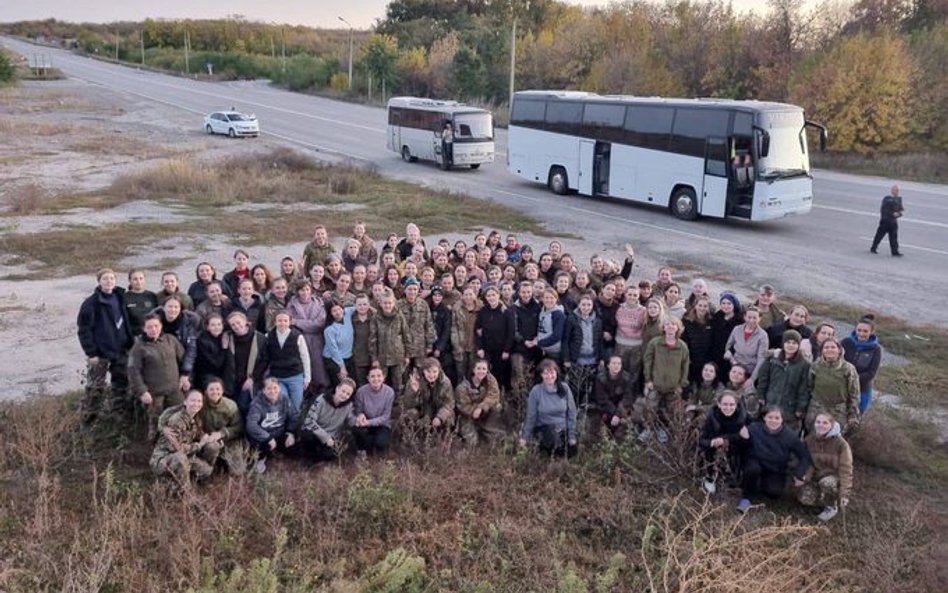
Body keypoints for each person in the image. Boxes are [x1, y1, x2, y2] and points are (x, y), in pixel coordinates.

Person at [77, 268, 134, 426]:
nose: (109, 281)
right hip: (100, 352)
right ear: (99, 281)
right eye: (105, 279)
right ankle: (88, 420)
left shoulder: (120, 297)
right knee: (95, 387)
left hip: (121, 349)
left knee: (120, 384)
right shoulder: (91, 303)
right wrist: (91, 352)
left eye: (111, 278)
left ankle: (119, 416)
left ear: (116, 281)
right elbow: (84, 330)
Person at [736, 405, 811, 513]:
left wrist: (799, 473)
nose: (773, 421)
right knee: (752, 469)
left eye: (777, 418)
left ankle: (759, 484)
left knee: (774, 492)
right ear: (764, 418)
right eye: (770, 417)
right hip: (755, 463)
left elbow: (804, 455)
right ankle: (747, 497)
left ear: (782, 419)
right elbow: (741, 448)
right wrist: (743, 438)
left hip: (775, 468)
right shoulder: (754, 428)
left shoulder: (790, 435)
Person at [128, 314, 187, 441]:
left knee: (181, 418)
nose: (153, 329)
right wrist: (142, 391)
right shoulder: (138, 347)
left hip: (174, 390)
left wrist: (186, 376)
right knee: (156, 424)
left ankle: (180, 444)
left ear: (161, 326)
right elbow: (133, 372)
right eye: (149, 327)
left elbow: (184, 360)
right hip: (154, 394)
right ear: (144, 329)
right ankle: (154, 447)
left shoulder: (171, 340)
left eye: (156, 326)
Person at [149, 389, 213, 489]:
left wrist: (205, 437)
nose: (196, 404)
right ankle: (184, 492)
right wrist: (199, 445)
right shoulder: (176, 420)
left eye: (199, 401)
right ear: (185, 402)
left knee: (206, 471)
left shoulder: (195, 418)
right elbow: (177, 448)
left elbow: (197, 433)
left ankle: (181, 479)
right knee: (180, 459)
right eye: (193, 400)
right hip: (164, 458)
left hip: (183, 456)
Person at [799, 412, 853, 522]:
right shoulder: (809, 440)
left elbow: (846, 469)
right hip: (817, 475)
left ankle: (832, 506)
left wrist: (844, 494)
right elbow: (807, 461)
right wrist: (806, 476)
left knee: (827, 483)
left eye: (825, 423)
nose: (821, 425)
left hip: (833, 476)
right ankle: (821, 497)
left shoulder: (841, 444)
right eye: (818, 422)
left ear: (831, 425)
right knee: (804, 499)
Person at [253, 311, 311, 412]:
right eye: (279, 320)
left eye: (285, 320)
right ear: (275, 322)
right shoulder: (268, 337)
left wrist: (307, 377)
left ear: (290, 322)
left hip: (295, 376)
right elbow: (265, 358)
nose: (282, 323)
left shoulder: (298, 336)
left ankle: (294, 426)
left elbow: (305, 357)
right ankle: (282, 426)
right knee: (283, 404)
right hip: (278, 377)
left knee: (296, 406)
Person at [642, 317, 690, 437]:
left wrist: (681, 384)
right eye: (667, 325)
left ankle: (664, 430)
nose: (670, 327)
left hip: (673, 387)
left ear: (678, 328)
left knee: (671, 411)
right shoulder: (655, 342)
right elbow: (647, 361)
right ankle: (648, 430)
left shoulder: (682, 346)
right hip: (655, 384)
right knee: (650, 408)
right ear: (663, 327)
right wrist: (648, 380)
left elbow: (685, 366)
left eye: (673, 325)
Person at [519, 359, 578, 458]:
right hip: (545, 428)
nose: (549, 376)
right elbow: (531, 416)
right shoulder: (536, 391)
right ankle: (552, 454)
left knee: (573, 449)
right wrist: (524, 437)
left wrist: (571, 435)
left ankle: (559, 452)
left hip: (563, 428)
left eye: (552, 372)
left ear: (557, 373)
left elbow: (572, 412)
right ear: (541, 375)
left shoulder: (564, 388)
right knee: (555, 443)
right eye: (545, 373)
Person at [756, 330, 810, 431]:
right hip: (771, 401)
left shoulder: (804, 364)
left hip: (790, 406)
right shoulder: (772, 359)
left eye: (794, 343)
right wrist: (761, 395)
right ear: (783, 343)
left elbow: (804, 388)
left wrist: (800, 408)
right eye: (788, 342)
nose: (791, 345)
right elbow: (763, 379)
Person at [805, 338, 861, 436]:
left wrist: (853, 414)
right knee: (812, 438)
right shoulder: (815, 366)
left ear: (839, 350)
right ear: (822, 350)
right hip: (816, 408)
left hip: (838, 411)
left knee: (834, 441)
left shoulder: (848, 369)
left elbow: (854, 394)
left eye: (833, 347)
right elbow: (809, 387)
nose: (829, 350)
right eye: (826, 347)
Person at [698, 391, 749, 495]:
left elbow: (748, 437)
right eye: (725, 404)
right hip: (716, 451)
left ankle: (737, 477)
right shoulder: (712, 417)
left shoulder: (744, 417)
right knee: (708, 451)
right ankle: (710, 477)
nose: (728, 408)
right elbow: (702, 440)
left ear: (736, 404)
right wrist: (712, 442)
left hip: (737, 451)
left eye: (731, 404)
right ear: (719, 404)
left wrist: (727, 439)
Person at [245, 377, 299, 474]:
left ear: (279, 388)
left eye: (275, 388)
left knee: (298, 441)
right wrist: (268, 438)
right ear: (263, 390)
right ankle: (260, 460)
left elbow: (293, 416)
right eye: (269, 388)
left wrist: (290, 433)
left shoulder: (284, 399)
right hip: (264, 436)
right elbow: (251, 425)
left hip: (280, 433)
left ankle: (278, 451)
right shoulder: (257, 404)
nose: (272, 391)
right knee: (258, 447)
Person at [286, 280, 330, 394]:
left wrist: (297, 322)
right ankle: (305, 391)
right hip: (300, 339)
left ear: (311, 291)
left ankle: (321, 390)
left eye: (307, 289)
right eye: (302, 290)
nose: (305, 292)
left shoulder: (319, 302)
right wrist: (308, 323)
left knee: (318, 365)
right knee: (303, 364)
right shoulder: (291, 305)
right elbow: (289, 323)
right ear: (297, 291)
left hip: (317, 340)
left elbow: (319, 324)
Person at [299, 379, 356, 464]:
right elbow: (309, 421)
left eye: (348, 394)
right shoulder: (321, 399)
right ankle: (308, 459)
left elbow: (351, 421)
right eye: (343, 391)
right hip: (317, 434)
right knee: (306, 435)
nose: (344, 395)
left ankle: (316, 457)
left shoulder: (349, 405)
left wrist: (357, 420)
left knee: (331, 455)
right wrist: (325, 437)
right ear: (337, 388)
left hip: (332, 439)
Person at [370, 289, 412, 396]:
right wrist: (374, 358)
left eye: (389, 303)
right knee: (380, 383)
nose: (387, 305)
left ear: (394, 303)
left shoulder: (399, 316)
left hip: (398, 356)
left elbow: (406, 335)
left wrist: (407, 355)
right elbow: (372, 339)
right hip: (382, 357)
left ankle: (397, 406)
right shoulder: (376, 318)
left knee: (397, 384)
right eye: (385, 303)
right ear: (380, 303)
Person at [455, 359, 505, 445]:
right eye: (478, 368)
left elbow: (494, 396)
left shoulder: (491, 380)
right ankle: (466, 430)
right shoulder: (462, 387)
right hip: (468, 416)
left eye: (484, 369)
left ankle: (488, 428)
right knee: (473, 443)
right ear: (473, 370)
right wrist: (475, 411)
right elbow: (463, 406)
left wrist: (481, 408)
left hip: (484, 412)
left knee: (497, 406)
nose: (481, 371)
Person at [475, 286, 515, 392]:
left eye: (493, 295)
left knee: (501, 373)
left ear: (498, 295)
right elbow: (478, 331)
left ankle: (503, 396)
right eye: (489, 295)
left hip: (501, 349)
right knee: (487, 374)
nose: (491, 297)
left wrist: (507, 350)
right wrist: (480, 348)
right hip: (487, 349)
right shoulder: (483, 311)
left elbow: (511, 333)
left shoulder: (506, 311)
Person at [226, 311, 265, 417]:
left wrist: (252, 378)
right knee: (234, 409)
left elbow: (264, 361)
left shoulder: (259, 338)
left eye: (238, 322)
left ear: (246, 321)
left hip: (250, 379)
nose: (236, 326)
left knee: (244, 405)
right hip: (233, 380)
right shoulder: (229, 339)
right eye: (233, 325)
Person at [841, 315, 883, 414]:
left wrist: (852, 379)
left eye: (865, 331)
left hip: (862, 389)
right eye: (859, 330)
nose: (861, 333)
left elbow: (871, 373)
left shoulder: (876, 349)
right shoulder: (846, 342)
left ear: (871, 332)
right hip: (842, 386)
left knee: (855, 415)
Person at [401, 358, 455, 435]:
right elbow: (407, 404)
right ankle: (415, 436)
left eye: (434, 372)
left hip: (437, 410)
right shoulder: (415, 381)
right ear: (423, 371)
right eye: (428, 371)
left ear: (439, 371)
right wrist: (414, 392)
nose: (431, 375)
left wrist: (439, 417)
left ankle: (441, 437)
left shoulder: (445, 383)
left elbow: (449, 404)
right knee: (409, 415)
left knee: (449, 417)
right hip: (422, 411)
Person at [353, 367, 395, 459]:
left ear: (383, 377)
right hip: (365, 424)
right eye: (372, 376)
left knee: (381, 443)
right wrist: (361, 415)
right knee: (356, 430)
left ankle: (375, 444)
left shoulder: (389, 392)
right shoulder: (361, 391)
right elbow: (358, 410)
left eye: (379, 376)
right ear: (368, 378)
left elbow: (386, 416)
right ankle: (361, 451)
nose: (376, 379)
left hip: (382, 424)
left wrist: (369, 422)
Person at [591, 355, 635, 441]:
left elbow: (627, 398)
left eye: (619, 363)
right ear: (608, 365)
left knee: (625, 425)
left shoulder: (626, 378)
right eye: (614, 363)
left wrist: (618, 414)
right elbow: (601, 399)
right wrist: (614, 413)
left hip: (621, 409)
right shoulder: (600, 378)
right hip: (604, 408)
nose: (616, 366)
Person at [191, 314, 235, 393]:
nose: (216, 327)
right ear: (208, 327)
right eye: (213, 325)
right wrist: (224, 349)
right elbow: (215, 363)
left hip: (222, 376)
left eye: (219, 324)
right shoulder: (202, 341)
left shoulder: (223, 337)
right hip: (207, 377)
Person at [723, 305, 768, 381]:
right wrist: (733, 361)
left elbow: (761, 359)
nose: (751, 320)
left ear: (760, 319)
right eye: (749, 317)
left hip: (749, 372)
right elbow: (728, 346)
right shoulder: (736, 329)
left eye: (754, 318)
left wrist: (752, 379)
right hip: (734, 367)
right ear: (744, 317)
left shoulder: (763, 335)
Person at [323, 303, 356, 390]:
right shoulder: (329, 329)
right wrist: (342, 367)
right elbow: (333, 350)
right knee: (341, 385)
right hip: (334, 360)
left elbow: (360, 306)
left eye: (339, 309)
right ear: (330, 313)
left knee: (352, 384)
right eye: (334, 311)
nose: (338, 312)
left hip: (348, 356)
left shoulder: (347, 313)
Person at [870, 184, 905, 256]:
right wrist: (893, 213)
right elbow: (884, 209)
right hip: (885, 221)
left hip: (893, 222)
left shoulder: (898, 200)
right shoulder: (887, 199)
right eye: (895, 190)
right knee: (879, 235)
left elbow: (901, 210)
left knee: (894, 238)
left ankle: (895, 251)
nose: (896, 192)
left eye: (897, 190)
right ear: (892, 191)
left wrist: (898, 214)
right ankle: (873, 248)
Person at [124, 268, 158, 337]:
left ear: (144, 279)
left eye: (141, 278)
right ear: (129, 281)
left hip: (151, 334)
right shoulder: (124, 297)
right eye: (135, 279)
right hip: (133, 336)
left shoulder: (152, 296)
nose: (138, 281)